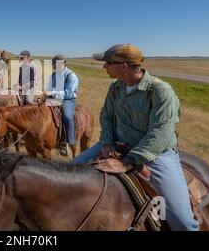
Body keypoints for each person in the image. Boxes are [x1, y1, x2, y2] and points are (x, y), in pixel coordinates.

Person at [71, 43, 199, 231]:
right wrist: (106, 142)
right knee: (69, 171)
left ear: (124, 66)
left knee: (183, 223)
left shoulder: (160, 91)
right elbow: (106, 116)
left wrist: (129, 161)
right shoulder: (116, 88)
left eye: (108, 63)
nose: (104, 67)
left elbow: (161, 132)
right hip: (117, 146)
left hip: (155, 155)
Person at [45, 55, 79, 156]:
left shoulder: (71, 76)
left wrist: (52, 94)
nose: (54, 66)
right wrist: (46, 93)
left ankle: (67, 141)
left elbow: (68, 92)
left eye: (55, 64)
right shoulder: (54, 75)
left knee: (67, 116)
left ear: (62, 64)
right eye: (53, 64)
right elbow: (49, 87)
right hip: (54, 98)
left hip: (67, 100)